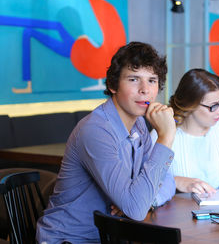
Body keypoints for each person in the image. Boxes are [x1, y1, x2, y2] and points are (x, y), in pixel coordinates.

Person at [36, 42, 177, 243]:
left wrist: (147, 201)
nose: (145, 90)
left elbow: (167, 182)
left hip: (111, 236)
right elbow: (135, 209)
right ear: (112, 85)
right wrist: (165, 137)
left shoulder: (139, 125)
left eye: (152, 80)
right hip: (69, 239)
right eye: (134, 79)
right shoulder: (95, 130)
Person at [151, 69, 219, 195]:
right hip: (177, 210)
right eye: (214, 105)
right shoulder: (161, 135)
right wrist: (176, 181)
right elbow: (148, 183)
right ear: (190, 105)